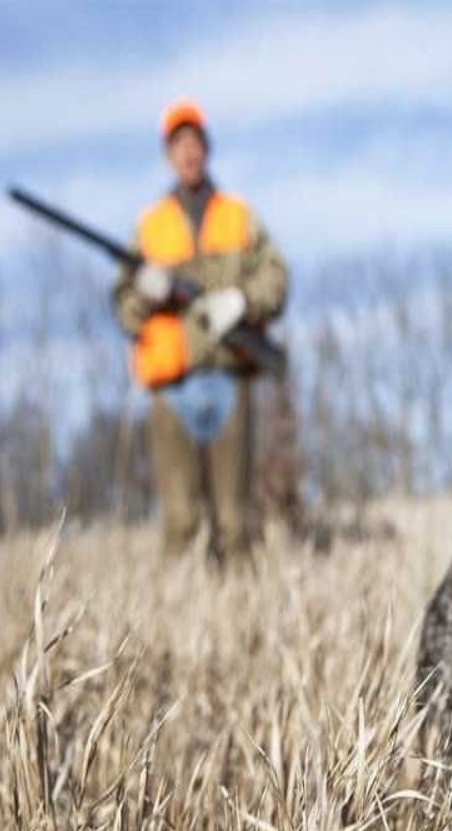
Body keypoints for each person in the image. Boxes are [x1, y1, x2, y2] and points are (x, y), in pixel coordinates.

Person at [113, 100, 288, 563]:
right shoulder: (149, 227)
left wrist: (242, 302)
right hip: (172, 387)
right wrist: (146, 294)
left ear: (205, 149)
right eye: (178, 144)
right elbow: (123, 310)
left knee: (234, 524)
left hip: (230, 376)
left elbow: (277, 278)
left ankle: (240, 622)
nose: (188, 152)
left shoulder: (238, 214)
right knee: (180, 524)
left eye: (194, 142)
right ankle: (172, 630)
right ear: (168, 155)